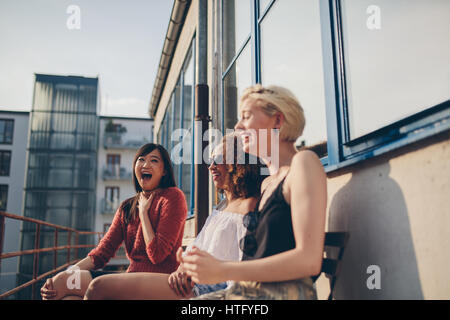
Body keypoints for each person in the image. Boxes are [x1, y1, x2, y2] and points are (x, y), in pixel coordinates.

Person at [180, 84, 327, 300]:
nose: (238, 127)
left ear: (277, 121)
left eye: (246, 117)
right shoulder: (267, 185)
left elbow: (309, 260)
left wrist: (222, 269)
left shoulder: (303, 163)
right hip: (248, 293)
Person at [82, 134, 265, 299]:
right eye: (141, 159)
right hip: (182, 280)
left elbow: (243, 266)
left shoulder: (247, 206)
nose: (211, 166)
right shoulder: (222, 206)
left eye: (217, 159)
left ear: (238, 163)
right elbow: (198, 248)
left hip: (201, 288)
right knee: (66, 287)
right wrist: (182, 269)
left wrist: (144, 214)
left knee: (98, 287)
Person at [40, 143, 187, 300]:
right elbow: (102, 253)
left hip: (159, 281)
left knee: (93, 288)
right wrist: (67, 272)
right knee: (60, 284)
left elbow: (157, 254)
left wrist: (143, 213)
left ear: (164, 171)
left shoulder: (173, 197)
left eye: (154, 160)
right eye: (141, 159)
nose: (146, 165)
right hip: (130, 278)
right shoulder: (127, 207)